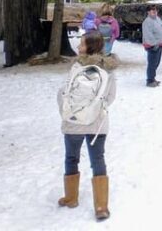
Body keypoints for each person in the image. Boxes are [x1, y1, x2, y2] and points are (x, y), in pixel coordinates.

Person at [57, 32, 117, 221]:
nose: (78, 47)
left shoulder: (77, 67)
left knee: (71, 158)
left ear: (89, 47)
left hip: (73, 122)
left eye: (81, 44)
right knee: (98, 160)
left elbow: (64, 92)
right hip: (96, 123)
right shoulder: (108, 69)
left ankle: (71, 198)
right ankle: (101, 206)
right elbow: (110, 97)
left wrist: (66, 112)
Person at [141, 5, 162, 87]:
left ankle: (153, 78)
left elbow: (161, 29)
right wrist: (154, 44)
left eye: (155, 10)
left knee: (156, 63)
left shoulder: (158, 19)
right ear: (148, 12)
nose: (154, 11)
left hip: (159, 44)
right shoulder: (147, 22)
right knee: (152, 63)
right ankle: (150, 80)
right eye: (152, 10)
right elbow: (148, 35)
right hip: (153, 46)